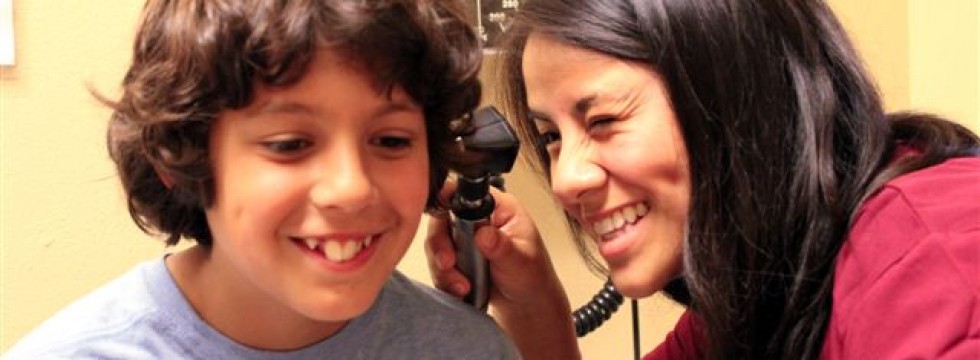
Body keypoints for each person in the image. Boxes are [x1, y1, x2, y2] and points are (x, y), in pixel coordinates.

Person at [426, 0, 980, 359]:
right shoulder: (759, 293)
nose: (566, 179)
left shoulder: (931, 260)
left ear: (740, 97)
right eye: (551, 137)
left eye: (604, 121)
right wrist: (534, 305)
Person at [3, 0, 521, 359]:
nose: (351, 188)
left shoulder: (470, 349)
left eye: (390, 140)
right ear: (180, 156)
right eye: (290, 144)